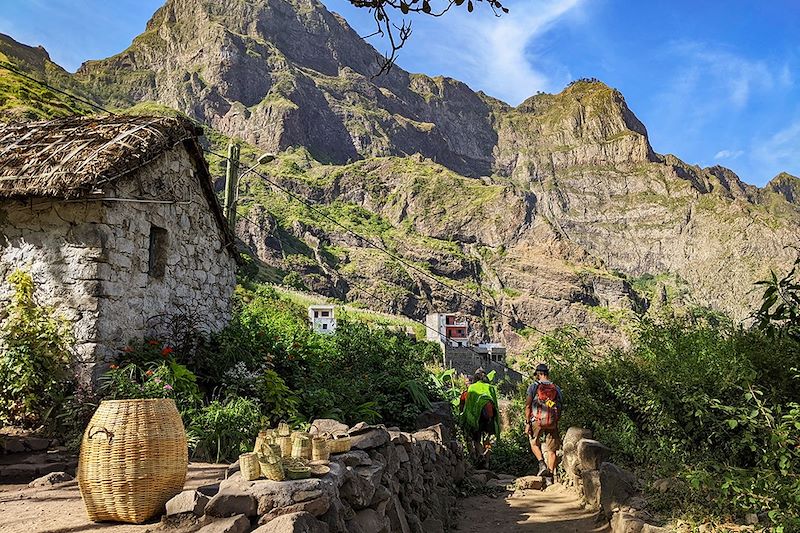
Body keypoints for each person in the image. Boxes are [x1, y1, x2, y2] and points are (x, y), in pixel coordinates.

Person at [525, 363, 562, 477]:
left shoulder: (534, 386)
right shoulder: (556, 388)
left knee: (534, 442)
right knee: (552, 450)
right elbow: (560, 406)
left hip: (537, 420)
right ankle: (549, 476)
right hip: (552, 421)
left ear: (539, 374)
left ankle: (542, 464)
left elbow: (528, 405)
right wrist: (556, 420)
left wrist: (527, 423)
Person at [459, 368, 500, 468]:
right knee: (488, 440)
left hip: (477, 418)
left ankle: (481, 456)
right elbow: (495, 404)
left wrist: (464, 420)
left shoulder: (472, 388)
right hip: (489, 418)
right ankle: (487, 462)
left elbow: (469, 407)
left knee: (476, 440)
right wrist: (496, 422)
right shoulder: (490, 388)